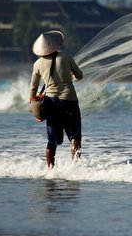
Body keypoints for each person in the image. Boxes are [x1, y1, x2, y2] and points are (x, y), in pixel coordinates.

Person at [29, 30, 83, 169]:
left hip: (51, 103)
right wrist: (70, 77)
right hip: (69, 100)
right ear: (55, 45)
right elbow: (79, 76)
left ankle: (50, 170)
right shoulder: (65, 57)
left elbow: (33, 88)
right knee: (75, 136)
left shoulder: (37, 64)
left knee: (51, 141)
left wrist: (32, 104)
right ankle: (74, 168)